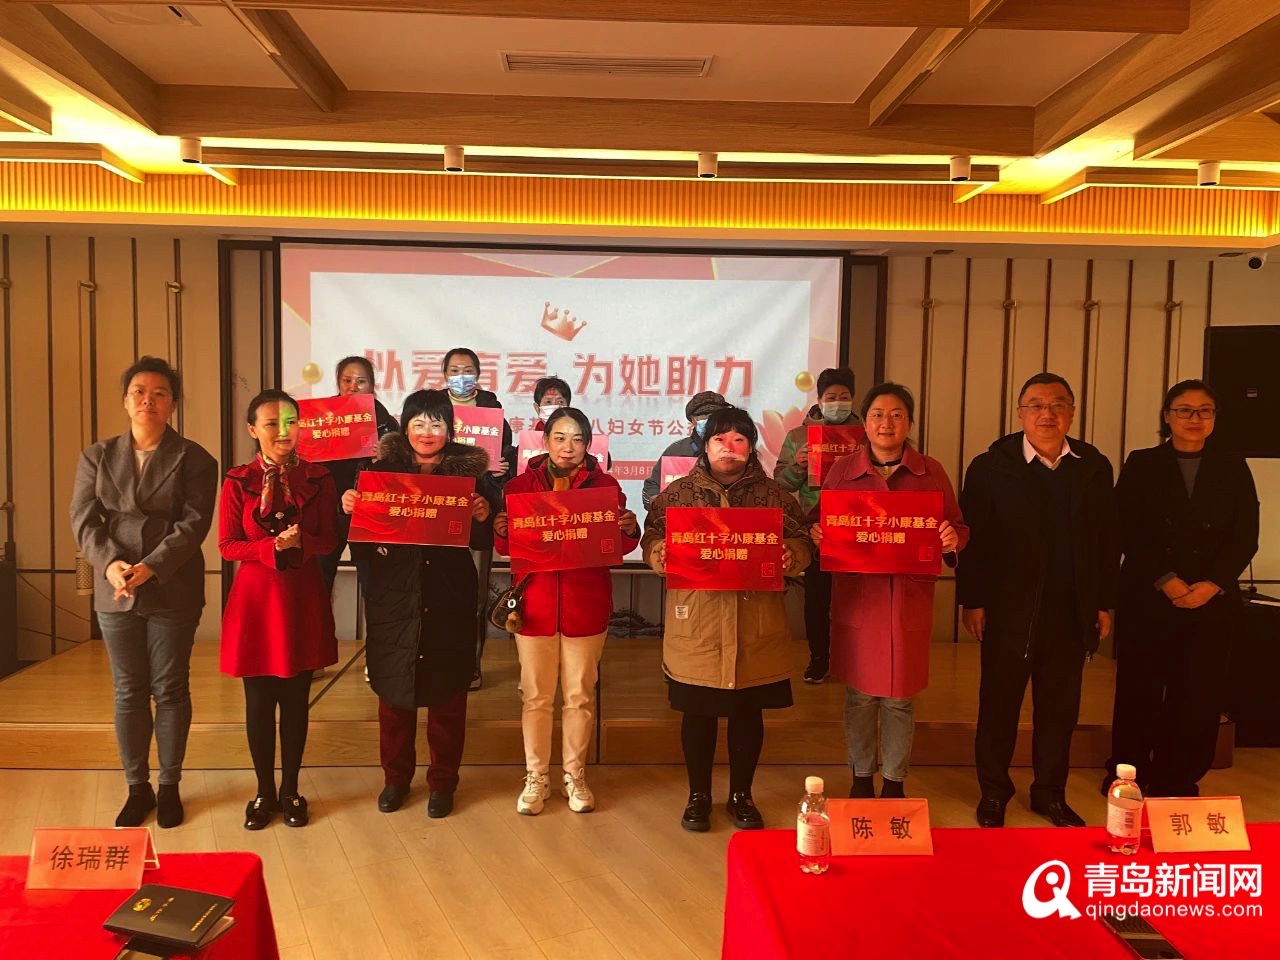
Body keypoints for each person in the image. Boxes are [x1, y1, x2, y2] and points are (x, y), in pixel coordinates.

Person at [958, 373, 1119, 828]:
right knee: (998, 707)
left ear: (1072, 412)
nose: (1047, 413)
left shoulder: (1093, 466)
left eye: (1058, 404)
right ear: (1020, 413)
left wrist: (1102, 602)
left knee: (1059, 710)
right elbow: (975, 541)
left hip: (1070, 611)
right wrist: (973, 600)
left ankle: (1050, 794)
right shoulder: (990, 467)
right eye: (1036, 405)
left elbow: (1108, 541)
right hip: (1008, 610)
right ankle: (994, 792)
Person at [643, 406, 813, 831]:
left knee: (747, 714)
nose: (729, 447)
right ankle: (698, 795)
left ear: (751, 447)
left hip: (755, 620)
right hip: (698, 619)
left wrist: (793, 555)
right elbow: (652, 535)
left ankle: (742, 795)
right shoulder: (679, 494)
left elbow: (802, 540)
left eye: (739, 439)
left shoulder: (775, 496)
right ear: (705, 445)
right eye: (719, 438)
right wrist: (658, 553)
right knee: (697, 714)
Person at [70, 357, 217, 829]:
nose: (147, 401)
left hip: (172, 584)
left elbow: (194, 524)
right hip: (115, 587)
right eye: (139, 391)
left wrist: (151, 567)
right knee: (128, 689)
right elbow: (83, 520)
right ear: (125, 400)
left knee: (170, 687)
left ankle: (170, 784)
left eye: (159, 393)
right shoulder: (97, 456)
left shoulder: (195, 458)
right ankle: (137, 787)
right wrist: (110, 563)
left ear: (173, 403)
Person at [344, 390, 495, 818]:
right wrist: (349, 508)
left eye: (437, 424)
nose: (428, 432)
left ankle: (443, 783)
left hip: (448, 595)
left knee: (448, 699)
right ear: (405, 427)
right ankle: (395, 780)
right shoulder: (379, 473)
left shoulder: (470, 477)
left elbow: (484, 542)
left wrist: (483, 515)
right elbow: (360, 543)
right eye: (419, 423)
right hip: (395, 595)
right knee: (394, 695)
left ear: (450, 429)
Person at [812, 383, 966, 799]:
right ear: (864, 423)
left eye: (897, 414)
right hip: (859, 598)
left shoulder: (930, 472)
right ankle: (861, 779)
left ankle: (895, 783)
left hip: (906, 601)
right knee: (859, 696)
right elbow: (819, 521)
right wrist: (817, 533)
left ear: (910, 422)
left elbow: (958, 526)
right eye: (878, 414)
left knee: (900, 698)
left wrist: (952, 539)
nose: (886, 423)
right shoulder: (842, 471)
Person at [1106, 380, 1258, 798]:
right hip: (1149, 594)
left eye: (1205, 410)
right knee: (1139, 688)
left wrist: (1211, 584)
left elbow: (1245, 535)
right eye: (1184, 410)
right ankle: (1127, 772)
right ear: (1167, 416)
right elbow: (1126, 528)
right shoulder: (1142, 463)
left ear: (1214, 418)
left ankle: (1179, 775)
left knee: (1198, 691)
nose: (1195, 418)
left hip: (1211, 599)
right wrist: (1166, 579)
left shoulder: (1233, 466)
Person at [493, 407, 640, 816]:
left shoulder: (605, 486)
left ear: (588, 444)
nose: (568, 446)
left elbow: (618, 544)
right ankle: (536, 776)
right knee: (535, 697)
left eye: (577, 439)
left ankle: (575, 775)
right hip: (534, 606)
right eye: (559, 437)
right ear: (545, 442)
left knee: (579, 696)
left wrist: (629, 528)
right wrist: (502, 531)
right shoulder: (519, 486)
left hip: (585, 603)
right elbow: (508, 547)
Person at [219, 389, 338, 830]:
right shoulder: (238, 480)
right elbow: (227, 545)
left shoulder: (319, 478)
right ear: (253, 430)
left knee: (295, 702)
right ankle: (263, 792)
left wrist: (303, 542)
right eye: (272, 423)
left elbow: (331, 539)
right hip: (255, 601)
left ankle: (291, 790)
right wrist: (269, 548)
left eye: (291, 422)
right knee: (258, 702)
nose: (284, 431)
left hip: (301, 598)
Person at [774, 366, 862, 683]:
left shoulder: (867, 433)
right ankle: (819, 659)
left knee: (858, 599)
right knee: (817, 598)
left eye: (844, 397)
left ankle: (855, 659)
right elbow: (780, 484)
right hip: (815, 528)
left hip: (858, 526)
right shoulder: (798, 436)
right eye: (831, 397)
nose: (838, 403)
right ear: (820, 400)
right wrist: (799, 466)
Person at [442, 347, 515, 690]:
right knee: (436, 592)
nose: (462, 376)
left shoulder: (493, 413)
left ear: (479, 374)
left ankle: (470, 665)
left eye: (468, 369)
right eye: (455, 370)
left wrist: (499, 472)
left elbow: (506, 467)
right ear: (445, 374)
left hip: (479, 512)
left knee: (474, 595)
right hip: (438, 510)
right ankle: (438, 661)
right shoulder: (433, 411)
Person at [318, 355, 399, 593]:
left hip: (369, 512)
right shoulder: (321, 419)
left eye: (361, 381)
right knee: (319, 579)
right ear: (338, 383)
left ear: (372, 385)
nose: (353, 386)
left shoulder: (386, 423)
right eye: (347, 381)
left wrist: (382, 459)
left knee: (373, 582)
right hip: (329, 509)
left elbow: (399, 473)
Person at [641, 390, 731, 509]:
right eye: (703, 416)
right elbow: (652, 487)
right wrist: (657, 502)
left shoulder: (735, 450)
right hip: (681, 519)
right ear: (692, 420)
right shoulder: (676, 452)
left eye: (715, 416)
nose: (709, 420)